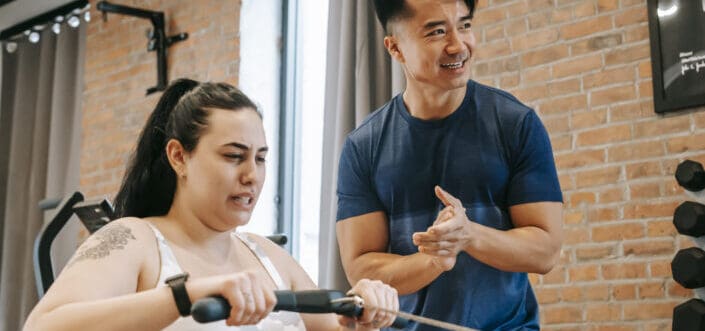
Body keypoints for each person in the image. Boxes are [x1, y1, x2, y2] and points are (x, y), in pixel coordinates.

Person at [24, 79, 400, 331]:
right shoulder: (135, 239)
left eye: (261, 158)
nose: (252, 175)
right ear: (178, 157)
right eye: (234, 156)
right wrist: (183, 295)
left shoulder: (267, 255)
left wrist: (364, 317)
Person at [335, 0, 563, 330]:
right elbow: (361, 268)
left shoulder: (517, 124)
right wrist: (432, 260)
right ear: (395, 48)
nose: (458, 45)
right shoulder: (363, 146)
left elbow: (545, 251)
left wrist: (468, 235)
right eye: (438, 31)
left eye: (465, 25)